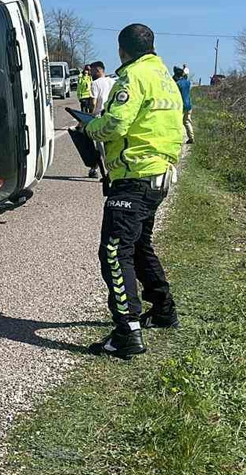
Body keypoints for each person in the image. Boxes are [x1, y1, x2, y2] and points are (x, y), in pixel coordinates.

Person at [81, 24, 184, 359]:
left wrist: (90, 126)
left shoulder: (132, 78)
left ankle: (127, 330)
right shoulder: (167, 80)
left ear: (122, 50)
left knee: (114, 251)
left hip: (134, 176)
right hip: (160, 175)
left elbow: (115, 125)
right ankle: (164, 310)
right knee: (140, 245)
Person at [174, 66, 194, 143]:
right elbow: (186, 76)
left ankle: (177, 138)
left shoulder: (178, 84)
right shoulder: (188, 82)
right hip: (189, 105)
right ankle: (191, 137)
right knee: (187, 121)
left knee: (178, 122)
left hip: (181, 105)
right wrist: (184, 69)